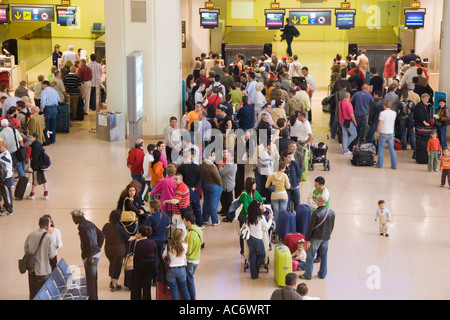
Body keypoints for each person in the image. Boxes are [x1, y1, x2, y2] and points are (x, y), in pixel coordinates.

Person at [71, 208, 105, 300]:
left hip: (90, 256)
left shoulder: (81, 226)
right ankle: (94, 297)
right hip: (96, 254)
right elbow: (101, 234)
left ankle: (93, 298)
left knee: (90, 279)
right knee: (93, 278)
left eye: (73, 218)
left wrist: (90, 256)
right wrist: (99, 246)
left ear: (77, 217)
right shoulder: (89, 223)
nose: (73, 220)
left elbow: (88, 241)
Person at [300, 195, 335, 280]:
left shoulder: (316, 213)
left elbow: (311, 227)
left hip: (316, 237)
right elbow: (332, 226)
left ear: (318, 202)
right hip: (326, 237)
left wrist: (307, 238)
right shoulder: (331, 212)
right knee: (324, 255)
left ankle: (307, 275)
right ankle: (322, 274)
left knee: (310, 255)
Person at [24, 216, 57, 299]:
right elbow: (52, 255)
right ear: (47, 226)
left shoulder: (31, 235)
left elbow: (26, 249)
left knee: (33, 292)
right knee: (41, 293)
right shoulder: (49, 237)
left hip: (32, 269)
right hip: (43, 270)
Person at [102, 210, 130, 292]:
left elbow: (103, 235)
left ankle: (112, 281)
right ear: (119, 218)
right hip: (118, 250)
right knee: (117, 266)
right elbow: (128, 238)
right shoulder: (120, 228)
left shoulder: (106, 226)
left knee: (112, 264)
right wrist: (137, 237)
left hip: (108, 249)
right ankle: (114, 285)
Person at [246, 200, 273, 280]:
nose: (262, 206)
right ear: (258, 208)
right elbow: (267, 226)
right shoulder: (261, 217)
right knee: (262, 255)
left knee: (253, 256)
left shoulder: (249, 216)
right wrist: (270, 218)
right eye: (261, 205)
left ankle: (254, 275)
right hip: (258, 239)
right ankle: (255, 271)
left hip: (250, 238)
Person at [176, 150, 203, 228]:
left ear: (182, 157)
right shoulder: (197, 167)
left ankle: (189, 224)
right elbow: (200, 179)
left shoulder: (180, 168)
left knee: (187, 208)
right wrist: (194, 187)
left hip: (185, 190)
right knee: (197, 207)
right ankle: (200, 224)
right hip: (194, 189)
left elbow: (180, 180)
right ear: (190, 156)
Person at [162, 228, 191, 300]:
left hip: (171, 270)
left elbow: (163, 256)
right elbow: (186, 253)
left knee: (173, 290)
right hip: (182, 269)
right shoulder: (185, 245)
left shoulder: (169, 246)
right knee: (184, 289)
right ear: (182, 236)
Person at [130, 225, 157, 300]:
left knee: (135, 285)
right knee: (147, 285)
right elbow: (154, 252)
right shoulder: (152, 242)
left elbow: (131, 252)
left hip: (137, 265)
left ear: (140, 234)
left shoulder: (134, 243)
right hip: (149, 265)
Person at [238, 177, 264, 255]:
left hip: (253, 215)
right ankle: (243, 250)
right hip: (244, 216)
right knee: (244, 232)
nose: (256, 185)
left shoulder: (255, 192)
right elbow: (246, 209)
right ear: (250, 185)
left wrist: (261, 207)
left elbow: (261, 201)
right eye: (254, 184)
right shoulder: (244, 195)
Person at [183, 211, 203, 300]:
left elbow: (188, 250)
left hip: (190, 261)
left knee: (189, 282)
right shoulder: (198, 229)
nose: (183, 222)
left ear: (189, 222)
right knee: (189, 280)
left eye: (184, 221)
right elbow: (201, 242)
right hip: (196, 259)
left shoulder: (190, 234)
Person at [200, 151, 223, 226]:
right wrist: (220, 185)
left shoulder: (201, 164)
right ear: (210, 156)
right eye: (214, 155)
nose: (215, 156)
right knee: (213, 204)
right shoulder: (212, 166)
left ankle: (205, 219)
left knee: (206, 202)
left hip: (204, 184)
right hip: (214, 186)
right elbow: (218, 178)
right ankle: (215, 221)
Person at [25, 132, 49, 200]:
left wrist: (33, 166)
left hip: (37, 166)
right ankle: (46, 193)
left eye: (31, 137)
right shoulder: (38, 144)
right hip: (41, 165)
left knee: (35, 180)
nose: (29, 138)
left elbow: (35, 158)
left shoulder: (35, 146)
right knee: (43, 179)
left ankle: (32, 194)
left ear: (34, 138)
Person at [376, 100, 398, 169]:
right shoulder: (394, 113)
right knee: (391, 149)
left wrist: (377, 132)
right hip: (391, 133)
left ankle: (380, 164)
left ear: (384, 105)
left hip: (383, 132)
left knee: (381, 149)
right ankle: (394, 165)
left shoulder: (382, 113)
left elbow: (380, 123)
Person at [39, 81, 60, 145]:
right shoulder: (54, 91)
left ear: (45, 85)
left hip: (47, 108)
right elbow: (58, 99)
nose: (41, 86)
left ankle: (47, 139)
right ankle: (52, 139)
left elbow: (43, 100)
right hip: (54, 108)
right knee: (53, 124)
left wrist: (41, 107)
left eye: (42, 85)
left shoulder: (44, 91)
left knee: (46, 124)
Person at [219, 149, 237, 222]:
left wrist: (221, 167)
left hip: (228, 185)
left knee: (228, 201)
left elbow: (221, 171)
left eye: (229, 155)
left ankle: (230, 216)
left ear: (232, 157)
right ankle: (225, 212)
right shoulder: (228, 163)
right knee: (224, 199)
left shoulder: (230, 165)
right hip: (227, 184)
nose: (227, 156)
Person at [0, 141, 13, 216]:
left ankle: (9, 209)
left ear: (4, 146)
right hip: (2, 178)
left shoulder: (6, 155)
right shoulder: (1, 153)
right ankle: (5, 205)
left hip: (6, 178)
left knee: (7, 194)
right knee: (4, 193)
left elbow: (2, 161)